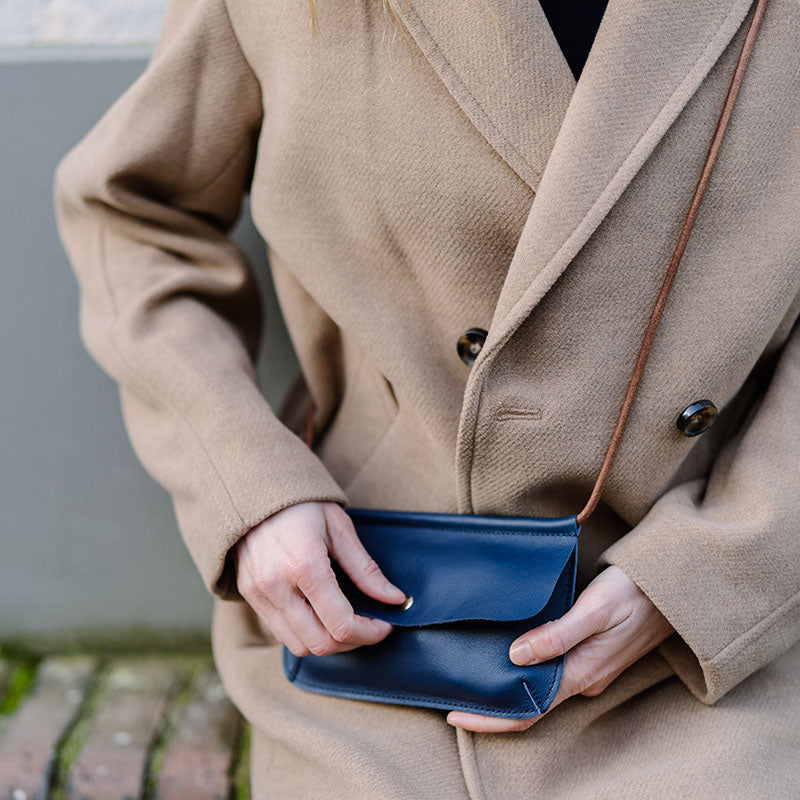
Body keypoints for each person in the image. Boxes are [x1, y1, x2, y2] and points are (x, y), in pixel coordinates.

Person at [53, 0, 800, 797]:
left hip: (696, 625)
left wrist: (715, 575)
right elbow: (132, 216)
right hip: (368, 605)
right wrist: (249, 487)